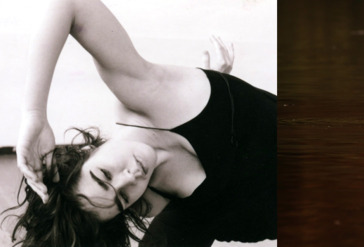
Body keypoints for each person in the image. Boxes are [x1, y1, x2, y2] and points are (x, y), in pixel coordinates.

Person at [4, 0, 276, 246]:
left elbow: (71, 4)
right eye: (122, 200)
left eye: (104, 175)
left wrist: (34, 113)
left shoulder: (143, 91)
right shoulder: (151, 203)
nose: (131, 177)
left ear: (86, 154)